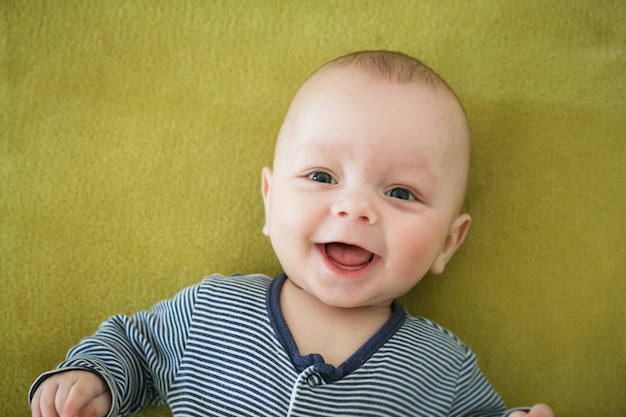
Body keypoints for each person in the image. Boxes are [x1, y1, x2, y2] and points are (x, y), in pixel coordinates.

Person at [29, 50, 553, 417]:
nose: (354, 208)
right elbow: (135, 347)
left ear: (447, 243)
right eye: (322, 177)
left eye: (400, 193)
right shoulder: (212, 310)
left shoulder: (443, 366)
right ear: (270, 199)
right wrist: (94, 380)